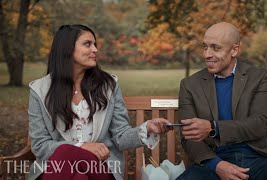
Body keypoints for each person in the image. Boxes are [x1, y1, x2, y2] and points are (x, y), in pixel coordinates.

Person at [28, 24, 172, 180]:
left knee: (68, 157)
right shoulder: (40, 90)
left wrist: (148, 128)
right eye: (87, 44)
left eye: (95, 44)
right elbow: (40, 145)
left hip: (99, 169)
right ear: (67, 49)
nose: (95, 49)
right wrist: (81, 147)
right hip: (58, 169)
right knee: (76, 173)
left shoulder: (108, 86)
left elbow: (121, 136)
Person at [176, 22, 267, 180]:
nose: (206, 54)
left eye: (215, 48)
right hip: (212, 161)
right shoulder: (189, 85)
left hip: (257, 158)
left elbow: (260, 123)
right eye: (205, 47)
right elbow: (189, 137)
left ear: (234, 50)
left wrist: (213, 127)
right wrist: (217, 165)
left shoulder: (260, 77)